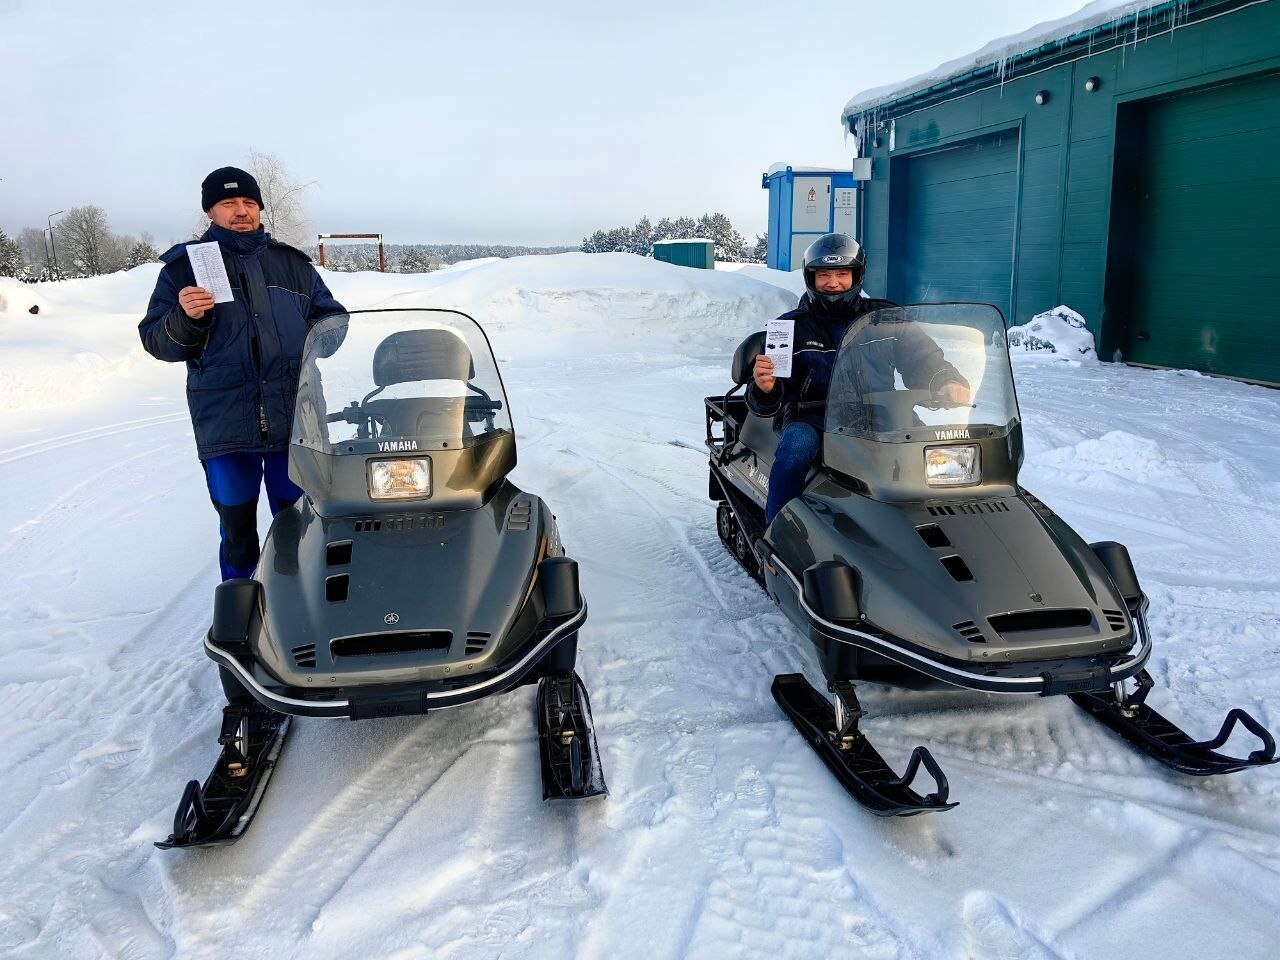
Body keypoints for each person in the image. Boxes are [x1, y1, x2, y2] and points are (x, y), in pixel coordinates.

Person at [139, 166, 346, 580]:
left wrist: (314, 340)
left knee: (299, 523)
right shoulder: (183, 269)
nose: (241, 211)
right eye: (229, 203)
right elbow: (157, 341)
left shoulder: (292, 264)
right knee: (237, 530)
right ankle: (242, 602)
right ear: (210, 211)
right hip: (225, 422)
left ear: (260, 208)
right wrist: (185, 318)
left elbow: (332, 321)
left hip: (293, 417)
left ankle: (296, 598)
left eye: (249, 202)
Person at [748, 233, 969, 523]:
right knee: (795, 449)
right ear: (810, 277)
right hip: (814, 418)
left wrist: (946, 380)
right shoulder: (789, 327)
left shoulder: (886, 318)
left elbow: (923, 358)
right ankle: (777, 528)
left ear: (857, 275)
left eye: (842, 274)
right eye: (824, 275)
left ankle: (946, 525)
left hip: (882, 413)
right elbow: (767, 396)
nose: (833, 283)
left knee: (935, 453)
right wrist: (765, 388)